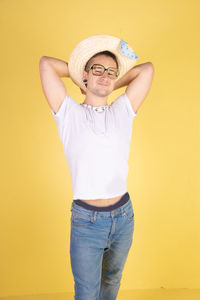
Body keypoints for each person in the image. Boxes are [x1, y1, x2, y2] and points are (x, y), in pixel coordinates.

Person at [39, 35, 154, 300]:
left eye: (111, 72)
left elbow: (146, 70)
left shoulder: (122, 110)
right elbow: (45, 64)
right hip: (86, 222)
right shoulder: (68, 114)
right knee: (87, 292)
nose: (105, 75)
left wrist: (107, 81)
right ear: (84, 76)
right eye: (97, 69)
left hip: (124, 216)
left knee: (112, 281)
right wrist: (85, 78)